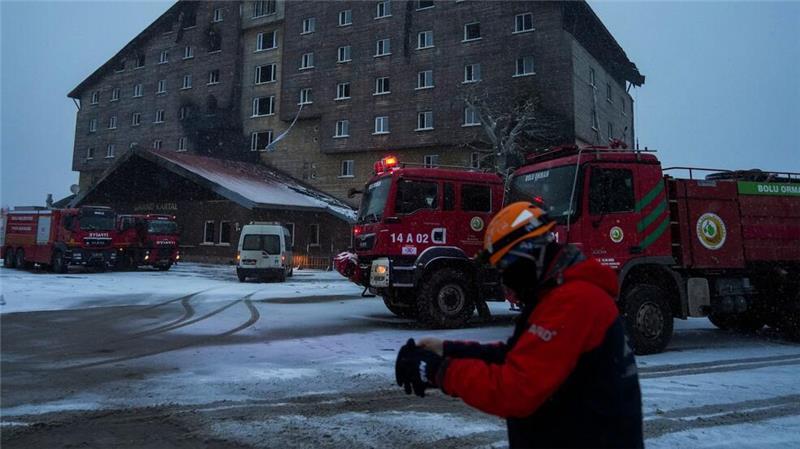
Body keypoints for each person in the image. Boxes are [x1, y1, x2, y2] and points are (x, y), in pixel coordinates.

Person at [395, 201, 643, 448]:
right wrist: (448, 350)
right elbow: (516, 355)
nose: (505, 280)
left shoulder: (574, 302)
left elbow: (515, 389)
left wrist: (438, 371)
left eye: (505, 267)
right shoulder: (554, 296)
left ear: (529, 254)